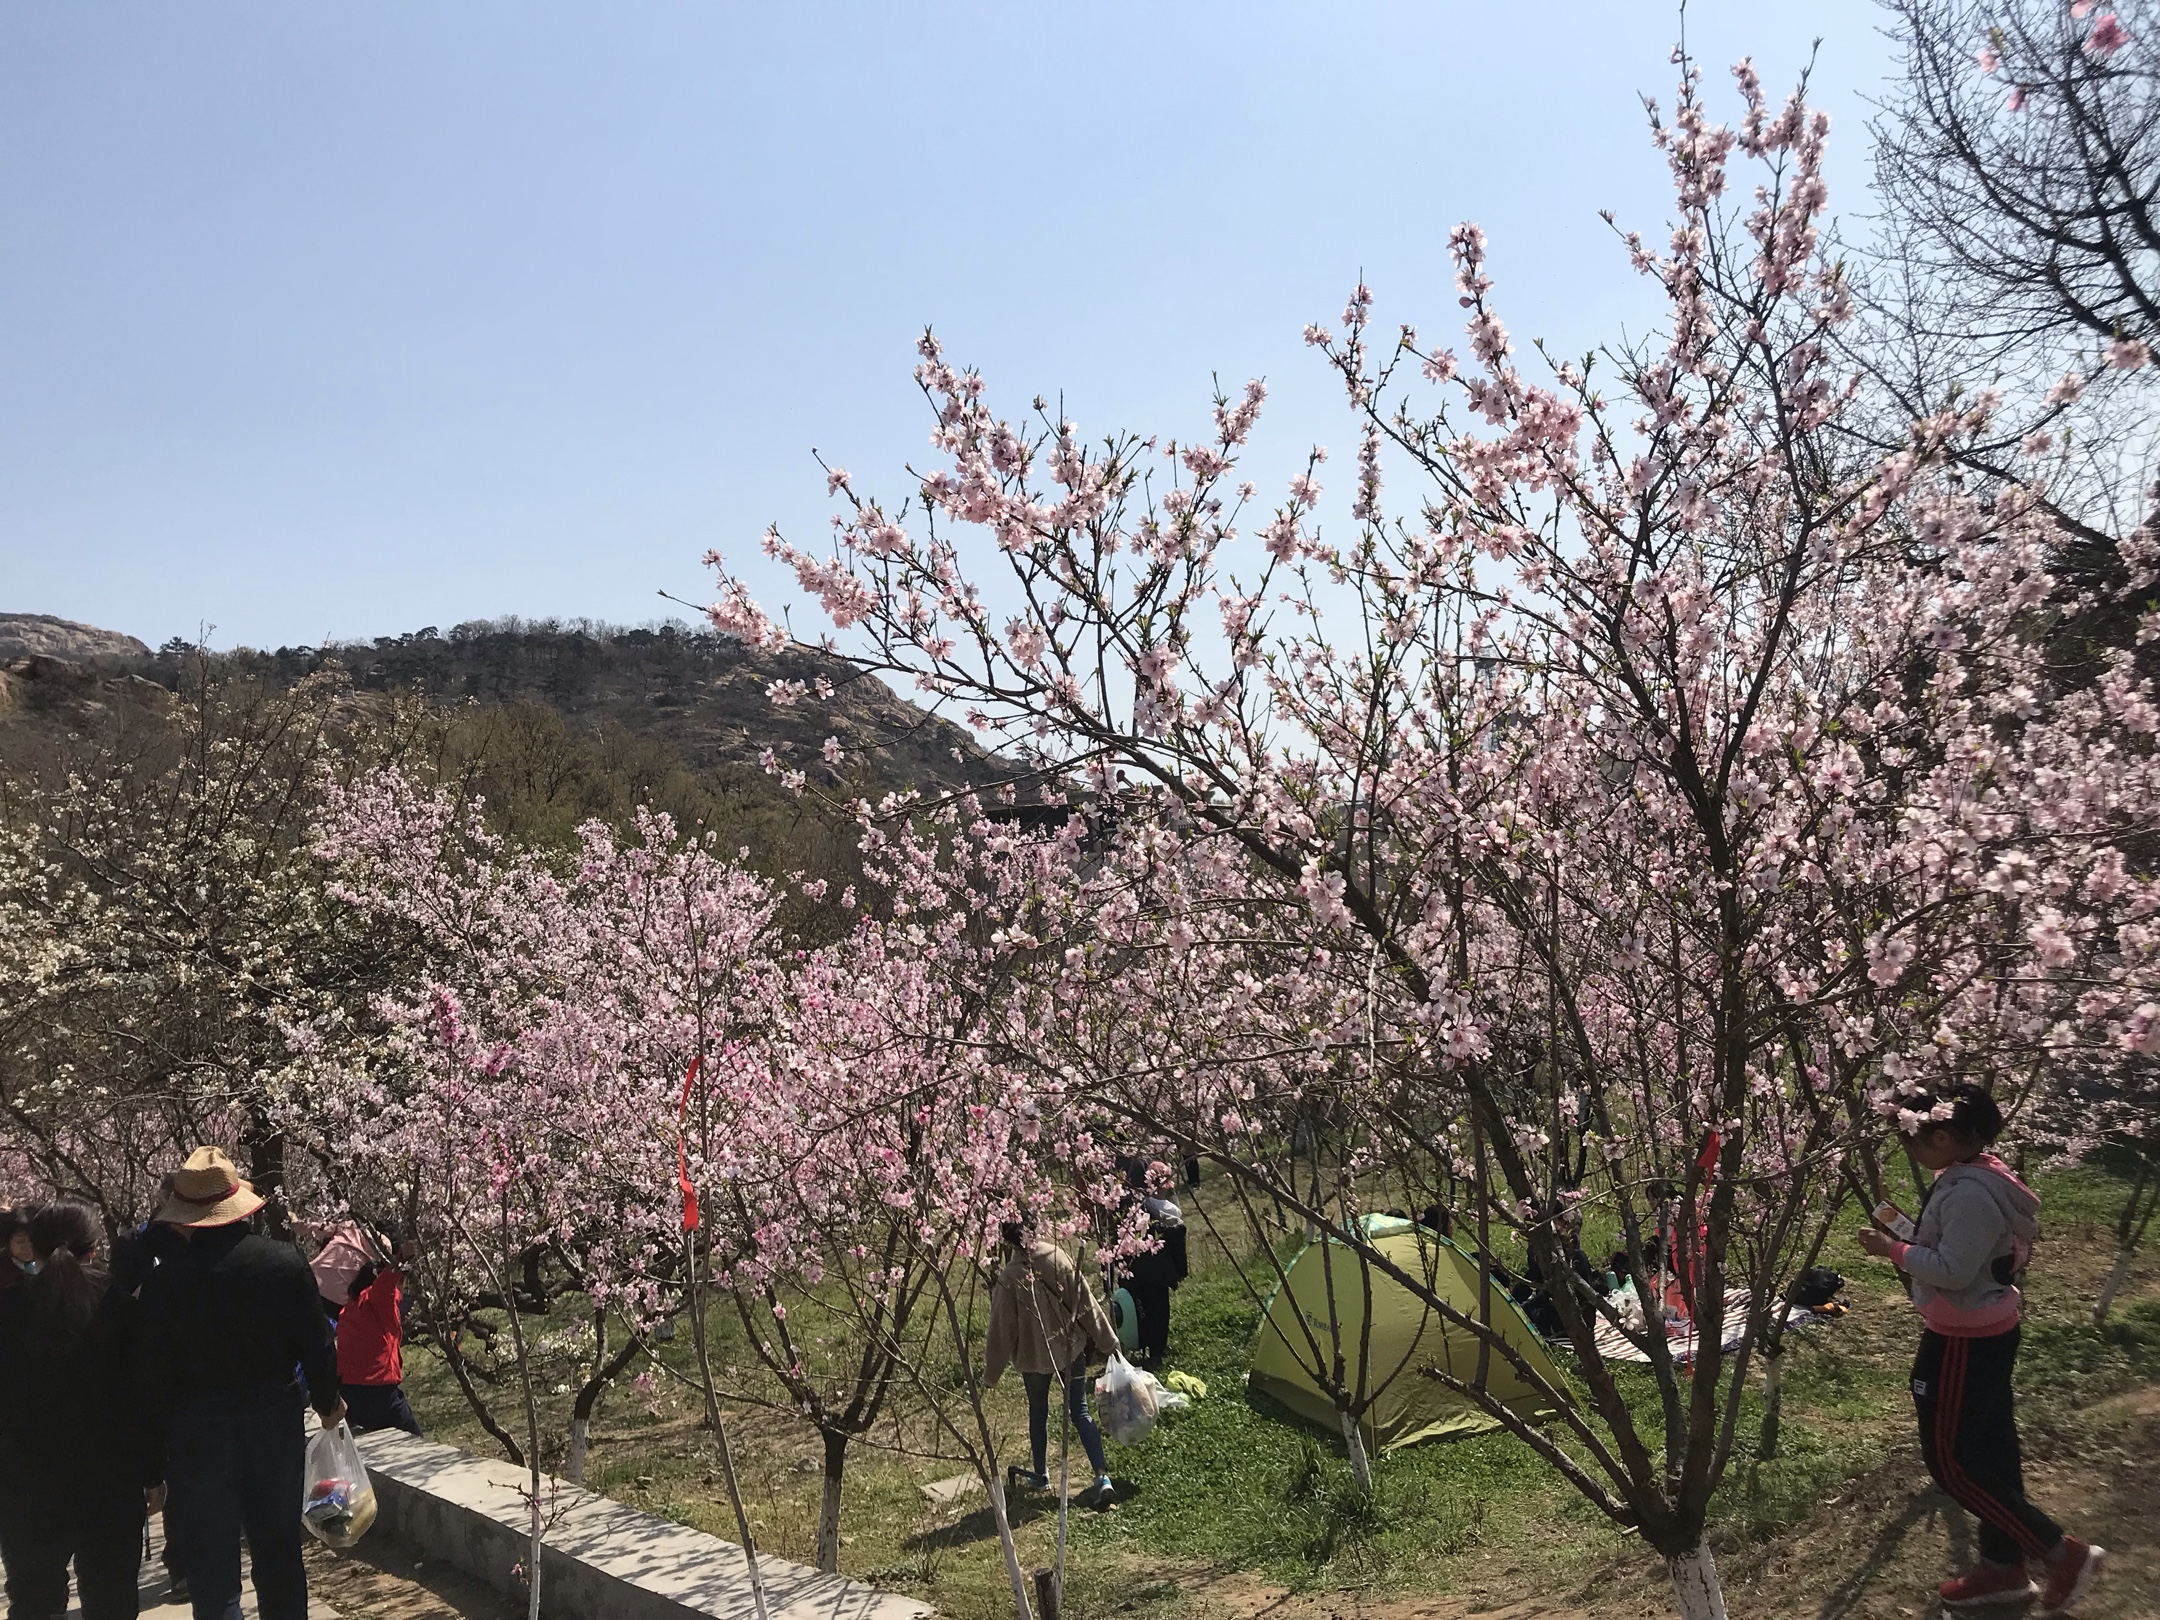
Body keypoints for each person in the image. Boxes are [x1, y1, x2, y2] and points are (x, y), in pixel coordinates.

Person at [1857, 1083, 2105, 1613]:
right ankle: (2002, 1567)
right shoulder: (1980, 1175)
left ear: (1943, 1135)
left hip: (1963, 1340)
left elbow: (1953, 1270)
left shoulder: (1969, 1193)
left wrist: (1893, 1249)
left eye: (1917, 1141)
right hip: (1982, 1329)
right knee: (1992, 1452)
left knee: (1952, 1464)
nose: (1914, 1152)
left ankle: (2061, 1555)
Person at [137, 1147, 345, 1620]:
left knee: (212, 1567)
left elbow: (150, 1377)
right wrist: (328, 1399)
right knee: (278, 1556)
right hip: (273, 1422)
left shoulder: (165, 1284)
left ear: (187, 1218)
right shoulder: (283, 1263)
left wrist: (151, 1466)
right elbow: (317, 1343)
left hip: (197, 1433)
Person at [0, 1200, 164, 1620]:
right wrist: (152, 1472)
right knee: (111, 1600)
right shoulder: (122, 1309)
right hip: (110, 1480)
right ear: (93, 1249)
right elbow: (143, 1399)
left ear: (29, 1249)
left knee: (34, 1601)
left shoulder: (9, 1312)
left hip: (25, 1485)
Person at [984, 1219, 1119, 1506]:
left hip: (1034, 1357)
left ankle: (1041, 1473)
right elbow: (1086, 1304)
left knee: (1038, 1412)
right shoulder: (1059, 1257)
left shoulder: (1009, 1276)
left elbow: (1002, 1328)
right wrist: (1108, 1342)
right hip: (1071, 1349)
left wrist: (991, 1374)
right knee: (1080, 1412)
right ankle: (1101, 1475)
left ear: (1008, 1241)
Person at [338, 1251, 421, 1435]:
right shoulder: (376, 1299)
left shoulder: (349, 1308)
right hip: (379, 1391)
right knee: (416, 1443)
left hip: (349, 1391)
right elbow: (384, 1285)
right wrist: (401, 1259)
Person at [1123, 1192, 1187, 1368]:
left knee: (1141, 1311)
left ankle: (1146, 1347)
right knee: (1158, 1311)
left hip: (1134, 1270)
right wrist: (1181, 1271)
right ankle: (1156, 1352)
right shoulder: (1165, 1212)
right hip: (1155, 1273)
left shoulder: (1131, 1206)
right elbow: (1177, 1235)